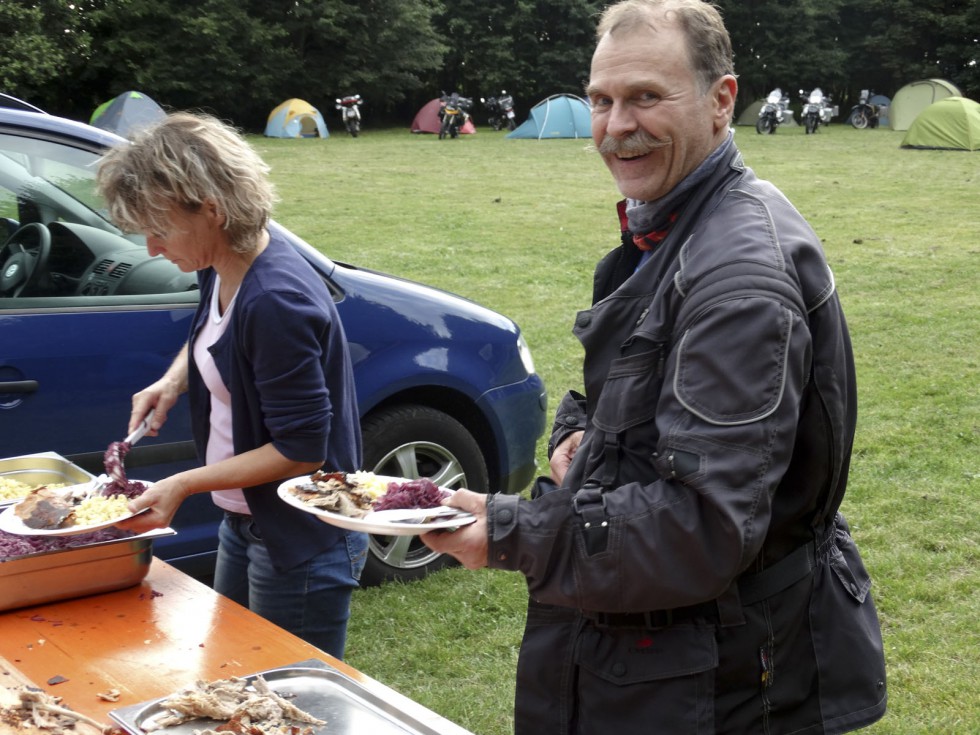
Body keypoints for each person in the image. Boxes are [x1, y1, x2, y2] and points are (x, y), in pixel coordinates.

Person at [423, 1, 888, 732]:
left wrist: (510, 530)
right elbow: (620, 387)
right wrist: (579, 433)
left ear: (721, 99)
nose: (614, 126)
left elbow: (703, 524)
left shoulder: (738, 276)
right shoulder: (674, 224)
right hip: (657, 654)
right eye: (602, 100)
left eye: (645, 96)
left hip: (717, 680)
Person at [96, 112, 367, 658]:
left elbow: (301, 451)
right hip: (247, 522)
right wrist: (175, 379)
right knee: (229, 674)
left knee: (285, 700)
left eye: (160, 227)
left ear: (212, 210)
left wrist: (181, 483)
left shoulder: (276, 302)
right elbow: (217, 335)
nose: (150, 247)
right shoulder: (220, 262)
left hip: (299, 537)